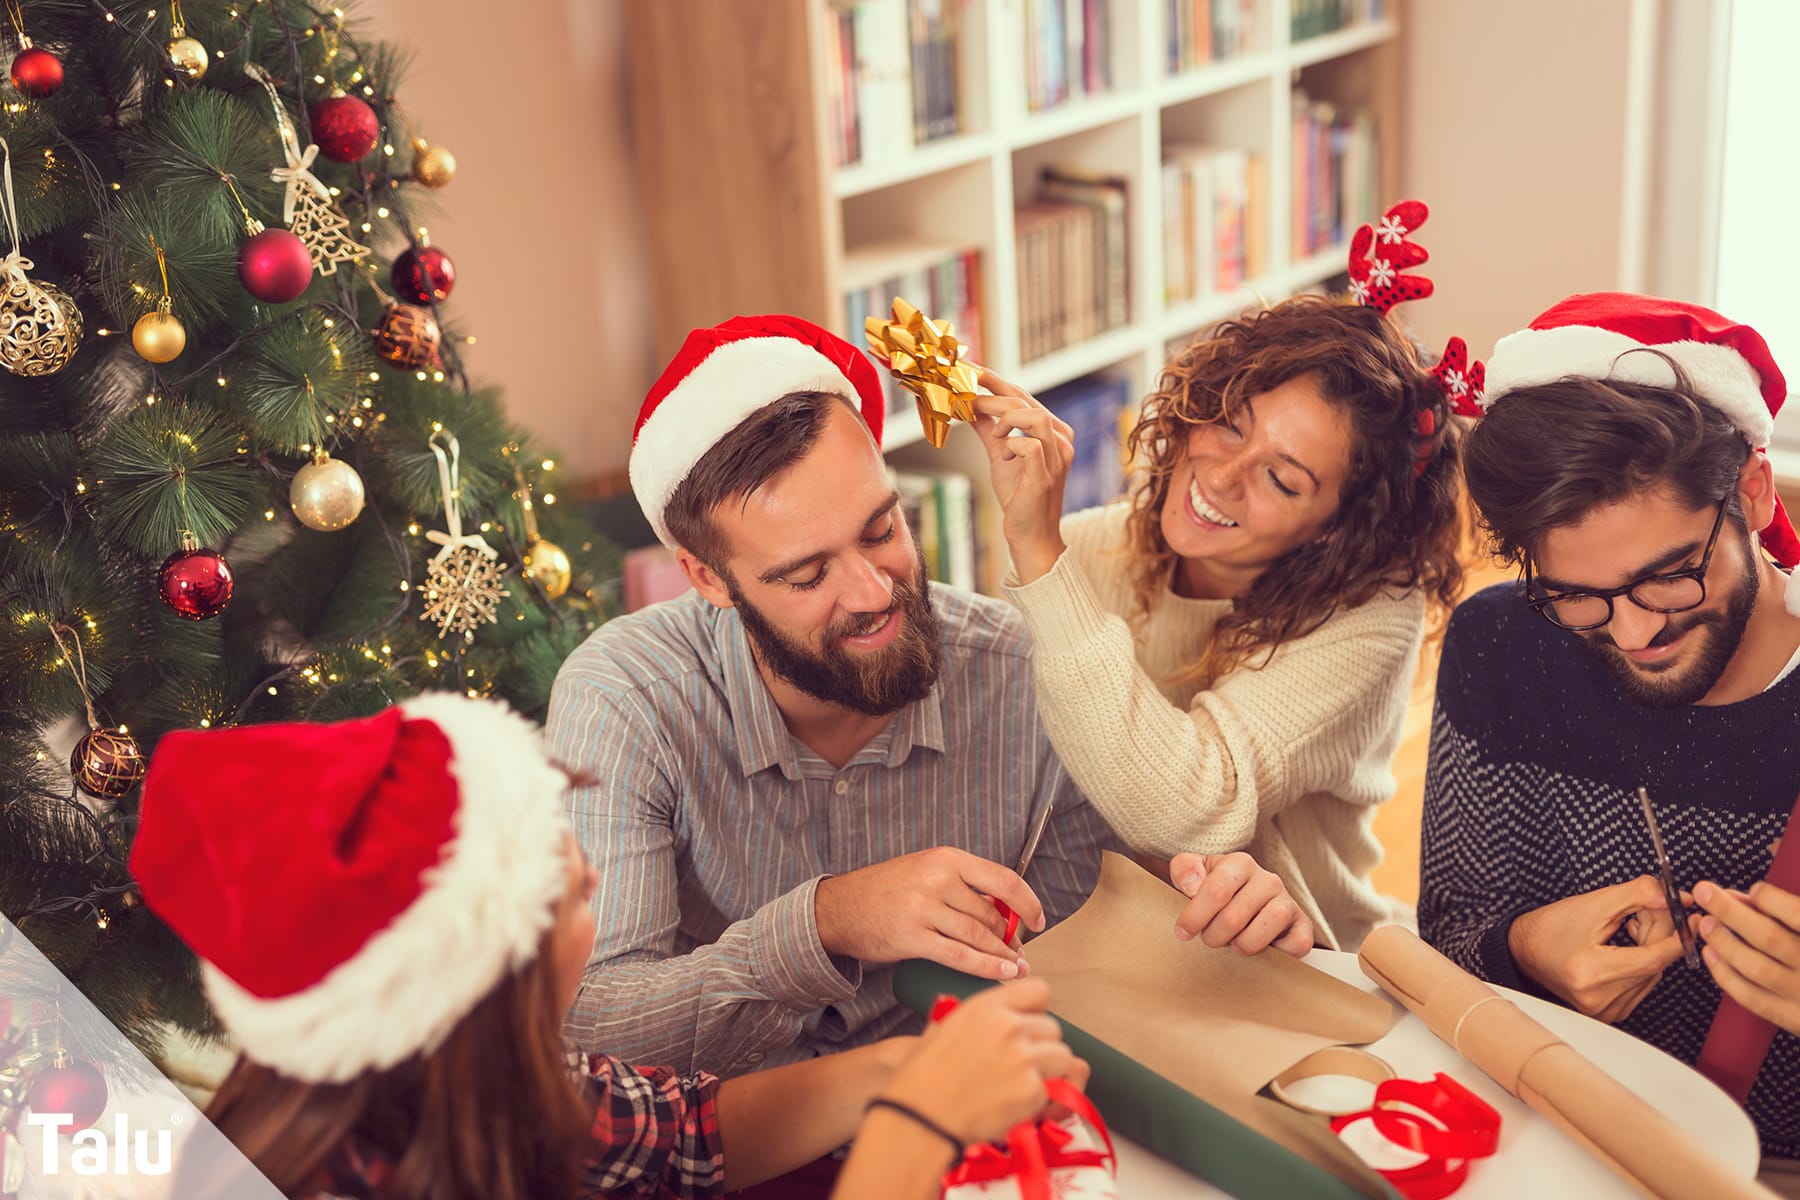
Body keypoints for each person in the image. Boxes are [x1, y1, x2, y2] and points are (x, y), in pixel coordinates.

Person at [546, 315, 1313, 1083]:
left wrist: (1217, 918)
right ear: (708, 579)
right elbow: (596, 1029)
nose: (874, 593)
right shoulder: (625, 698)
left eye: (882, 530)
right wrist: (825, 920)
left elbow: (1090, 966)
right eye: (807, 576)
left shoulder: (1022, 675)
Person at [131, 692, 1090, 1200]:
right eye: (551, 877)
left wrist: (907, 1070)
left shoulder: (468, 1079)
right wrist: (914, 1129)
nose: (590, 873)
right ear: (476, 973)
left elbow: (688, 1138)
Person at [1418, 292, 1800, 1186]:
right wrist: (1523, 953)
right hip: (1551, 1139)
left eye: (1668, 577)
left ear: (1750, 488)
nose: (1632, 635)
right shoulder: (1504, 643)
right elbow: (1449, 935)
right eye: (1577, 595)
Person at [968, 282, 1468, 952]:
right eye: (1231, 422)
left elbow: (1188, 811)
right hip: (1122, 955)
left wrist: (1036, 548)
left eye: (1282, 480)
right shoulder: (1089, 553)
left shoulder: (1373, 617)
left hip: (1310, 966)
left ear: (1336, 530)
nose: (1223, 475)